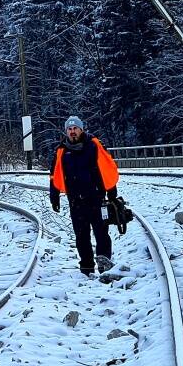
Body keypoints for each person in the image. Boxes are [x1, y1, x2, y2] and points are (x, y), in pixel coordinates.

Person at [49, 116, 121, 276]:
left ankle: (104, 262)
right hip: (75, 200)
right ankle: (86, 267)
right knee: (81, 236)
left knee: (101, 232)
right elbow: (55, 174)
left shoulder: (93, 145)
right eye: (70, 129)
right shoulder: (62, 150)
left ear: (81, 129)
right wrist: (54, 194)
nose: (72, 131)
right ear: (66, 131)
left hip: (96, 198)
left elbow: (106, 167)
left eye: (75, 128)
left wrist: (111, 190)